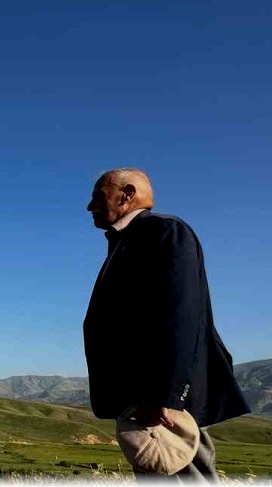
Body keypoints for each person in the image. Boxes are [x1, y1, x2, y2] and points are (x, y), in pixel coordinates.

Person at [82, 168, 249, 481]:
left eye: (98, 197)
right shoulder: (126, 241)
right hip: (144, 398)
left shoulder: (163, 230)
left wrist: (165, 395)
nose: (90, 206)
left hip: (161, 402)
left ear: (127, 194)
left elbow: (180, 313)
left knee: (182, 475)